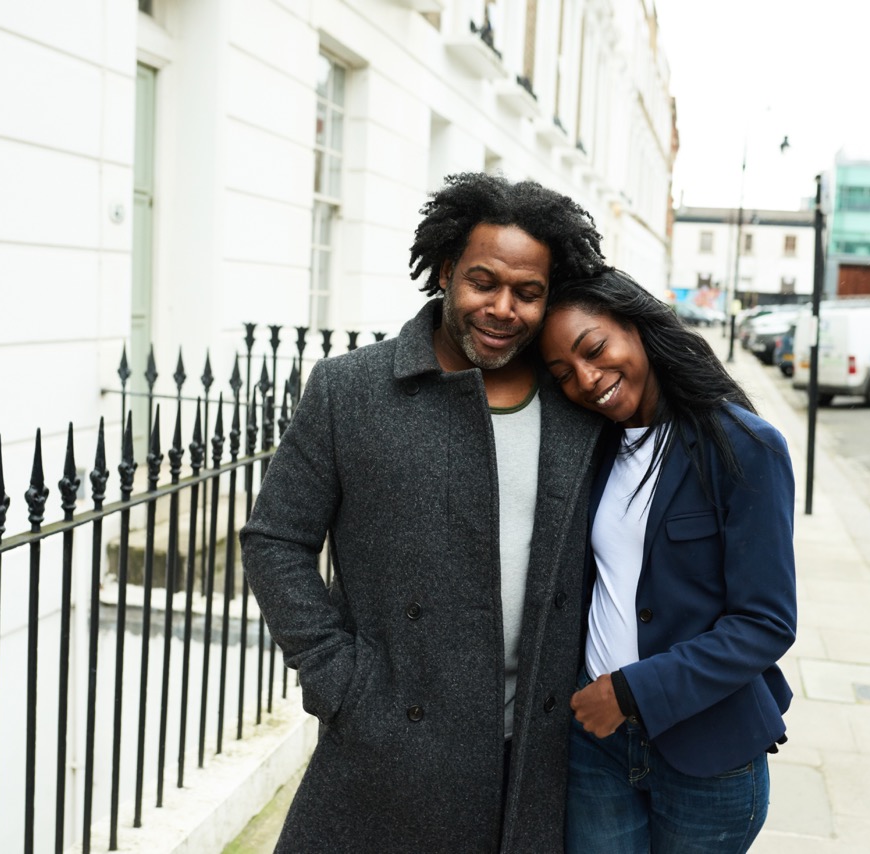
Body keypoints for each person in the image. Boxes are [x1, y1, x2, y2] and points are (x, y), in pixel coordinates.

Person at [241, 172, 607, 853]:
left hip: (533, 756)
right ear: (444, 272)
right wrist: (338, 681)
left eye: (528, 293)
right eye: (483, 282)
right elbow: (275, 539)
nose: (504, 308)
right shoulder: (351, 391)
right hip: (389, 751)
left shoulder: (575, 408)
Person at [538, 269, 797, 854]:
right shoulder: (589, 448)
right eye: (563, 374)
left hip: (706, 753)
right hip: (596, 747)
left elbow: (766, 623)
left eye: (595, 349)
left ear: (638, 327)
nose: (586, 379)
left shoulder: (745, 448)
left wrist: (630, 693)